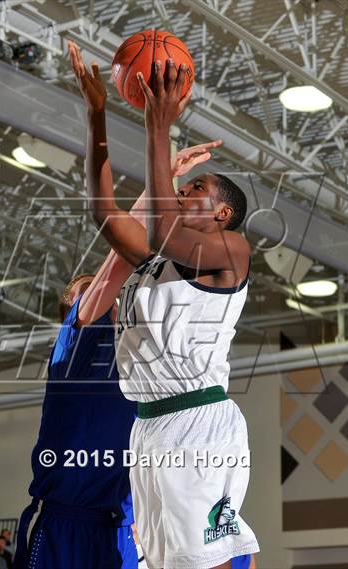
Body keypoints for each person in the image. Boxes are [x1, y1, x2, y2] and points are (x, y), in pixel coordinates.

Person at [69, 41, 260, 569]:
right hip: (149, 425)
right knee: (162, 563)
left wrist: (160, 126)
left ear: (222, 213)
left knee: (209, 560)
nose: (181, 191)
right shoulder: (158, 257)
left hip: (198, 420)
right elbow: (102, 212)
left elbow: (158, 226)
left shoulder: (232, 251)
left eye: (194, 187)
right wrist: (98, 115)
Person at [13, 120, 216, 568]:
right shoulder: (75, 347)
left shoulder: (142, 362)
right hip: (66, 528)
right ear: (76, 311)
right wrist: (162, 181)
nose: (112, 297)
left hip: (123, 530)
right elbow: (119, 261)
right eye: (94, 295)